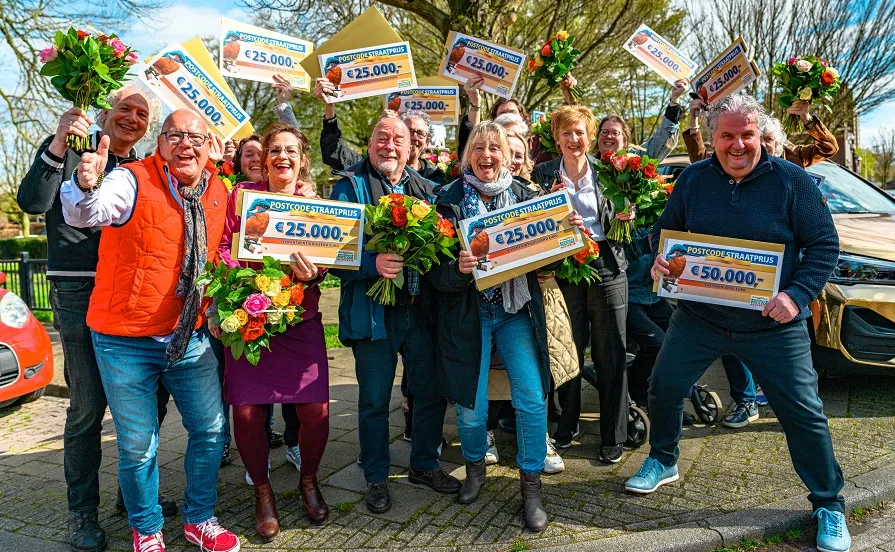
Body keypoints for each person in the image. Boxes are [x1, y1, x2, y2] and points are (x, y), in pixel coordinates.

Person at [627, 93, 850, 552]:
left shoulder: (792, 182)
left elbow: (825, 245)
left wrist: (797, 295)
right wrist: (661, 261)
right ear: (712, 138)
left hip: (772, 323)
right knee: (663, 387)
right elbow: (665, 233)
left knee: (804, 415)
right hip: (701, 316)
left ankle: (828, 503)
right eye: (727, 135)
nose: (737, 145)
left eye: (746, 134)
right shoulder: (692, 179)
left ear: (759, 135)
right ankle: (664, 458)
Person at [60, 109, 240, 552]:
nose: (186, 144)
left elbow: (219, 255)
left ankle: (200, 519)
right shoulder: (131, 179)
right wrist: (85, 185)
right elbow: (88, 212)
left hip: (189, 336)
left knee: (212, 431)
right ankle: (147, 528)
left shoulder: (218, 191)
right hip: (124, 340)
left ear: (209, 145)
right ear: (160, 142)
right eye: (174, 135)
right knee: (140, 445)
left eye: (195, 137)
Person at [15, 84, 178, 552]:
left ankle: (134, 498)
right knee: (87, 407)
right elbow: (32, 202)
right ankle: (80, 513)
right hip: (80, 289)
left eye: (142, 113)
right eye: (124, 108)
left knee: (149, 403)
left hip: (135, 293)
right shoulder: (72, 151)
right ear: (106, 111)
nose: (132, 118)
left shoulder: (148, 169)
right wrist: (59, 142)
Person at [427, 122, 585, 531]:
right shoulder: (447, 203)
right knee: (470, 406)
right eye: (478, 148)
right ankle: (476, 469)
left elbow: (546, 265)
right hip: (469, 316)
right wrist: (458, 270)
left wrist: (566, 238)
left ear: (505, 154)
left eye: (494, 148)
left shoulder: (528, 198)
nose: (486, 155)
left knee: (532, 399)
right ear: (467, 156)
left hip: (515, 312)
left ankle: (531, 487)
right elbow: (435, 278)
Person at [329, 113, 461, 514]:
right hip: (373, 313)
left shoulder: (430, 191)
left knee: (429, 393)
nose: (389, 145)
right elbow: (333, 255)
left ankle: (424, 465)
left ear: (411, 147)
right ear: (370, 144)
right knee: (372, 400)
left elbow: (445, 246)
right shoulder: (349, 187)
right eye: (381, 138)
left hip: (420, 313)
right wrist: (373, 265)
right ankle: (375, 476)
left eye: (397, 139)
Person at [683, 97, 840, 427]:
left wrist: (808, 117)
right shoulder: (719, 173)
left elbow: (828, 147)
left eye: (766, 141)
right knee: (731, 335)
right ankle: (746, 399)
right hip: (734, 280)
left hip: (785, 281)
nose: (753, 147)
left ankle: (792, 401)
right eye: (759, 139)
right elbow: (701, 159)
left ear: (778, 144)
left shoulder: (793, 173)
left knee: (792, 368)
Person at [214, 123, 330, 535]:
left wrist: (314, 273)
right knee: (246, 411)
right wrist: (235, 286)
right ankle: (263, 492)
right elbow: (224, 247)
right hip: (251, 317)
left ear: (302, 160)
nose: (283, 156)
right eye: (275, 150)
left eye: (291, 151)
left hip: (300, 321)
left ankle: (309, 481)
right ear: (264, 159)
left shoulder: (316, 205)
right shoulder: (242, 197)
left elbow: (328, 261)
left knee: (315, 411)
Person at [530, 105, 633, 463]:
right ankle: (567, 425)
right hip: (564, 267)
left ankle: (613, 435)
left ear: (590, 136)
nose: (575, 139)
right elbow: (530, 220)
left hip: (606, 263)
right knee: (566, 349)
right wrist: (550, 208)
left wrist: (628, 213)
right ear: (556, 138)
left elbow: (628, 217)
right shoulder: (542, 175)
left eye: (581, 132)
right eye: (567, 133)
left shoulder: (610, 170)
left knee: (611, 351)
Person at [313, 78, 446, 182]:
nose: (414, 137)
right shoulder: (369, 165)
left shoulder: (436, 177)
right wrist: (329, 106)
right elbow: (333, 152)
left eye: (420, 134)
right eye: (408, 131)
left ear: (428, 142)